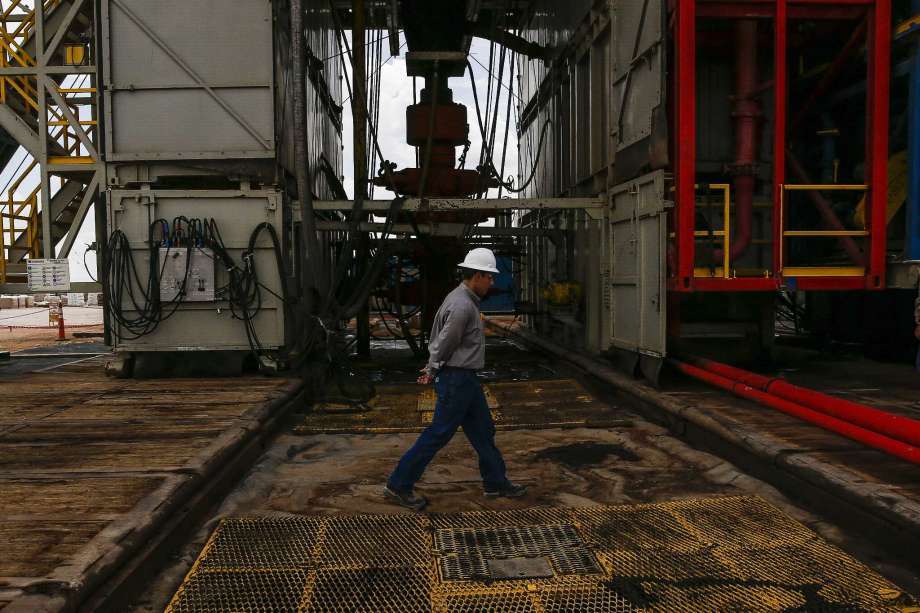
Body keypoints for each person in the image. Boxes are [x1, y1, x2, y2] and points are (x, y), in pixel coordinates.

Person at [384, 248, 527, 510]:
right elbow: (444, 342)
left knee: (483, 431)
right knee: (438, 433)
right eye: (490, 277)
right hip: (456, 380)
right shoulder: (462, 305)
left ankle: (495, 482)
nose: (493, 282)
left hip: (466, 380)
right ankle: (399, 485)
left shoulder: (464, 299)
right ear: (478, 276)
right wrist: (432, 369)